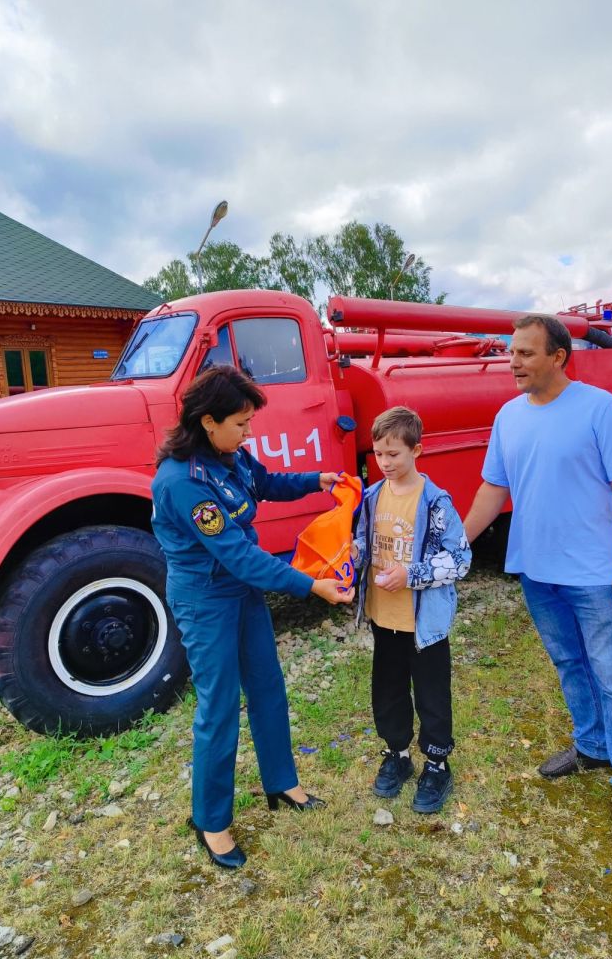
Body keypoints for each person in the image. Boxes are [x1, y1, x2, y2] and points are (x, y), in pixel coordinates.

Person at [463, 314, 612, 854]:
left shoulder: (600, 409)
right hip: (537, 572)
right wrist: (454, 544)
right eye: (512, 352)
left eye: (526, 353)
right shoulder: (508, 416)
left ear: (558, 357)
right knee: (570, 665)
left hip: (595, 574)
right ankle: (592, 746)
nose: (514, 361)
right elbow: (491, 491)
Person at [151, 365, 354, 869]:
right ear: (207, 420)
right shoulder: (182, 482)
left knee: (267, 686)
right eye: (241, 423)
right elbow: (237, 555)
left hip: (241, 592)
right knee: (218, 707)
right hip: (207, 600)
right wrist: (311, 586)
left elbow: (265, 482)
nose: (249, 432)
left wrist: (318, 480)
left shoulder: (230, 456)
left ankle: (282, 783)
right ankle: (211, 820)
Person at [352, 407, 471, 814]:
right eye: (378, 454)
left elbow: (460, 559)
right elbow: (364, 546)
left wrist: (413, 574)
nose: (384, 463)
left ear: (416, 450)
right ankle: (397, 754)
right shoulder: (371, 497)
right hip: (384, 617)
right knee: (387, 690)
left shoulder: (435, 502)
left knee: (431, 692)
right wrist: (348, 560)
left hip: (424, 625)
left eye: (394, 455)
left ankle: (436, 763)